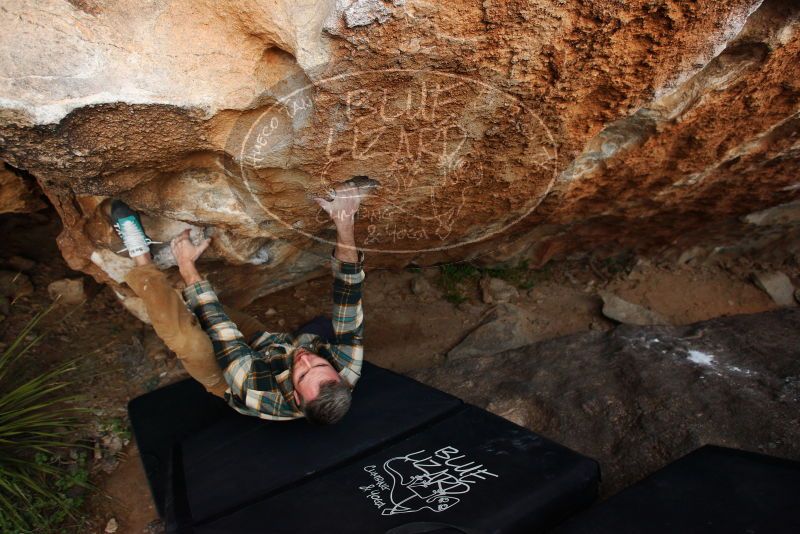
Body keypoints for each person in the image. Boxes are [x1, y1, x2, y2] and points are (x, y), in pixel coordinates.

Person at [111, 180, 369, 424]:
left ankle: (140, 256)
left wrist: (187, 265)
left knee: (189, 341)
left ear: (298, 397)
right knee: (198, 309)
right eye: (320, 363)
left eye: (302, 374)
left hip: (228, 376)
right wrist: (343, 220)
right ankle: (175, 295)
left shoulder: (262, 394)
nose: (305, 359)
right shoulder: (346, 366)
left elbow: (226, 339)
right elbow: (348, 290)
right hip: (265, 345)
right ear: (341, 377)